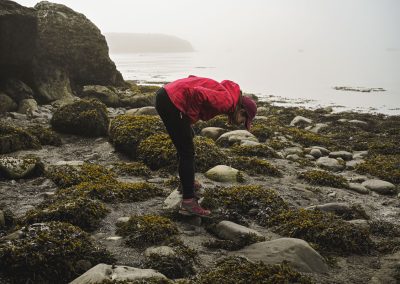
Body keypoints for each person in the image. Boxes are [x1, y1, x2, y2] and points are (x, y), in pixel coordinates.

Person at [155, 75, 257, 217]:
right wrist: (190, 116)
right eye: (243, 120)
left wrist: (187, 119)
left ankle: (187, 183)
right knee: (187, 152)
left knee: (186, 139)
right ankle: (188, 202)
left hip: (167, 95)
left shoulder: (228, 95)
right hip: (172, 101)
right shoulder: (227, 101)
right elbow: (197, 93)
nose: (240, 124)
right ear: (241, 111)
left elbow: (193, 79)